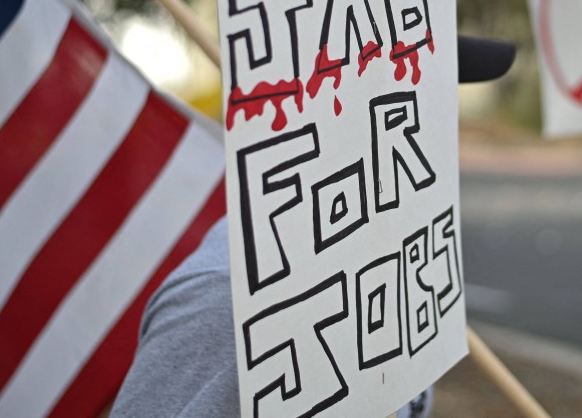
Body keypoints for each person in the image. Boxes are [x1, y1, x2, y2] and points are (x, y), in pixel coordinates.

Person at [111, 35, 515, 417]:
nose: (442, 127)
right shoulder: (232, 304)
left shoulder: (396, 265)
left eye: (440, 96)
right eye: (413, 88)